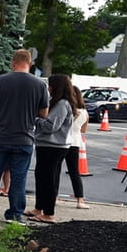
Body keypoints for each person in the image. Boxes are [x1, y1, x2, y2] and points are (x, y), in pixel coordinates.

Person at [0, 49, 49, 225]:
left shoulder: (1, 81)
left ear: (13, 63)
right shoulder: (40, 85)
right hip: (24, 138)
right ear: (30, 63)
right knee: (19, 178)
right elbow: (44, 113)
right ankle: (15, 214)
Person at [26, 74, 75, 224]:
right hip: (47, 145)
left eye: (50, 85)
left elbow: (50, 126)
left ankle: (48, 213)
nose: (48, 88)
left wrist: (34, 118)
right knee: (41, 177)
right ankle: (38, 208)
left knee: (49, 180)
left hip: (54, 146)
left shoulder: (62, 104)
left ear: (56, 87)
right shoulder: (58, 103)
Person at [65, 86, 90, 210]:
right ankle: (80, 200)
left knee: (55, 171)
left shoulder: (67, 108)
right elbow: (84, 130)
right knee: (75, 172)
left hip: (62, 141)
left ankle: (52, 198)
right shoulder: (85, 112)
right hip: (76, 142)